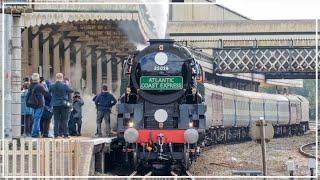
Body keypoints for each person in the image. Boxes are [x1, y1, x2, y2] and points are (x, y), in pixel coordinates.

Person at [50, 73, 74, 138]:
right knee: (64, 120)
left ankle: (56, 134)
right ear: (62, 78)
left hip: (55, 104)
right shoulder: (65, 85)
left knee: (56, 120)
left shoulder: (52, 85)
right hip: (63, 104)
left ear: (56, 78)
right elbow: (71, 90)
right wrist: (68, 85)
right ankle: (65, 134)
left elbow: (48, 92)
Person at [26, 73, 48, 138]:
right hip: (40, 104)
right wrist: (45, 85)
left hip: (32, 104)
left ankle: (37, 132)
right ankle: (34, 133)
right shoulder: (40, 86)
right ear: (38, 79)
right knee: (37, 119)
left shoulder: (30, 85)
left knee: (35, 118)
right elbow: (46, 93)